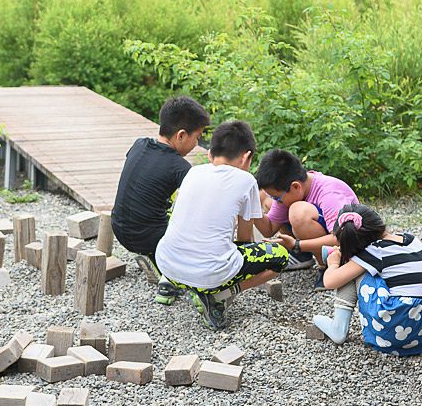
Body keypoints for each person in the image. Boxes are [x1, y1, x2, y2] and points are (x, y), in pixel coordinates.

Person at [155, 121, 289, 330]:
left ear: (210, 154)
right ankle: (219, 296)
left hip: (168, 266)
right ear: (246, 157)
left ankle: (196, 287)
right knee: (280, 256)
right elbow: (245, 239)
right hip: (210, 274)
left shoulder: (193, 172)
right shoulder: (246, 180)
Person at [111, 95, 210, 304]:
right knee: (195, 233)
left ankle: (156, 259)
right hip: (148, 237)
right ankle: (169, 278)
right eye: (197, 137)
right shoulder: (180, 167)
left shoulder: (139, 144)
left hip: (118, 227)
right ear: (181, 135)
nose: (197, 144)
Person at [316, 203, 422, 354]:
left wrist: (334, 263)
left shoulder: (375, 251)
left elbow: (330, 281)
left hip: (394, 331)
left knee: (352, 273)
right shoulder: (412, 240)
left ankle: (338, 329)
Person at [254, 149, 358, 289]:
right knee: (267, 200)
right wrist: (249, 207)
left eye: (277, 198)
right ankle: (301, 257)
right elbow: (269, 229)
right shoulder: (290, 190)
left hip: (349, 243)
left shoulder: (330, 193)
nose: (277, 201)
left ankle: (330, 267)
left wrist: (297, 245)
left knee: (298, 212)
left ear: (295, 186)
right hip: (326, 235)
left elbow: (341, 237)